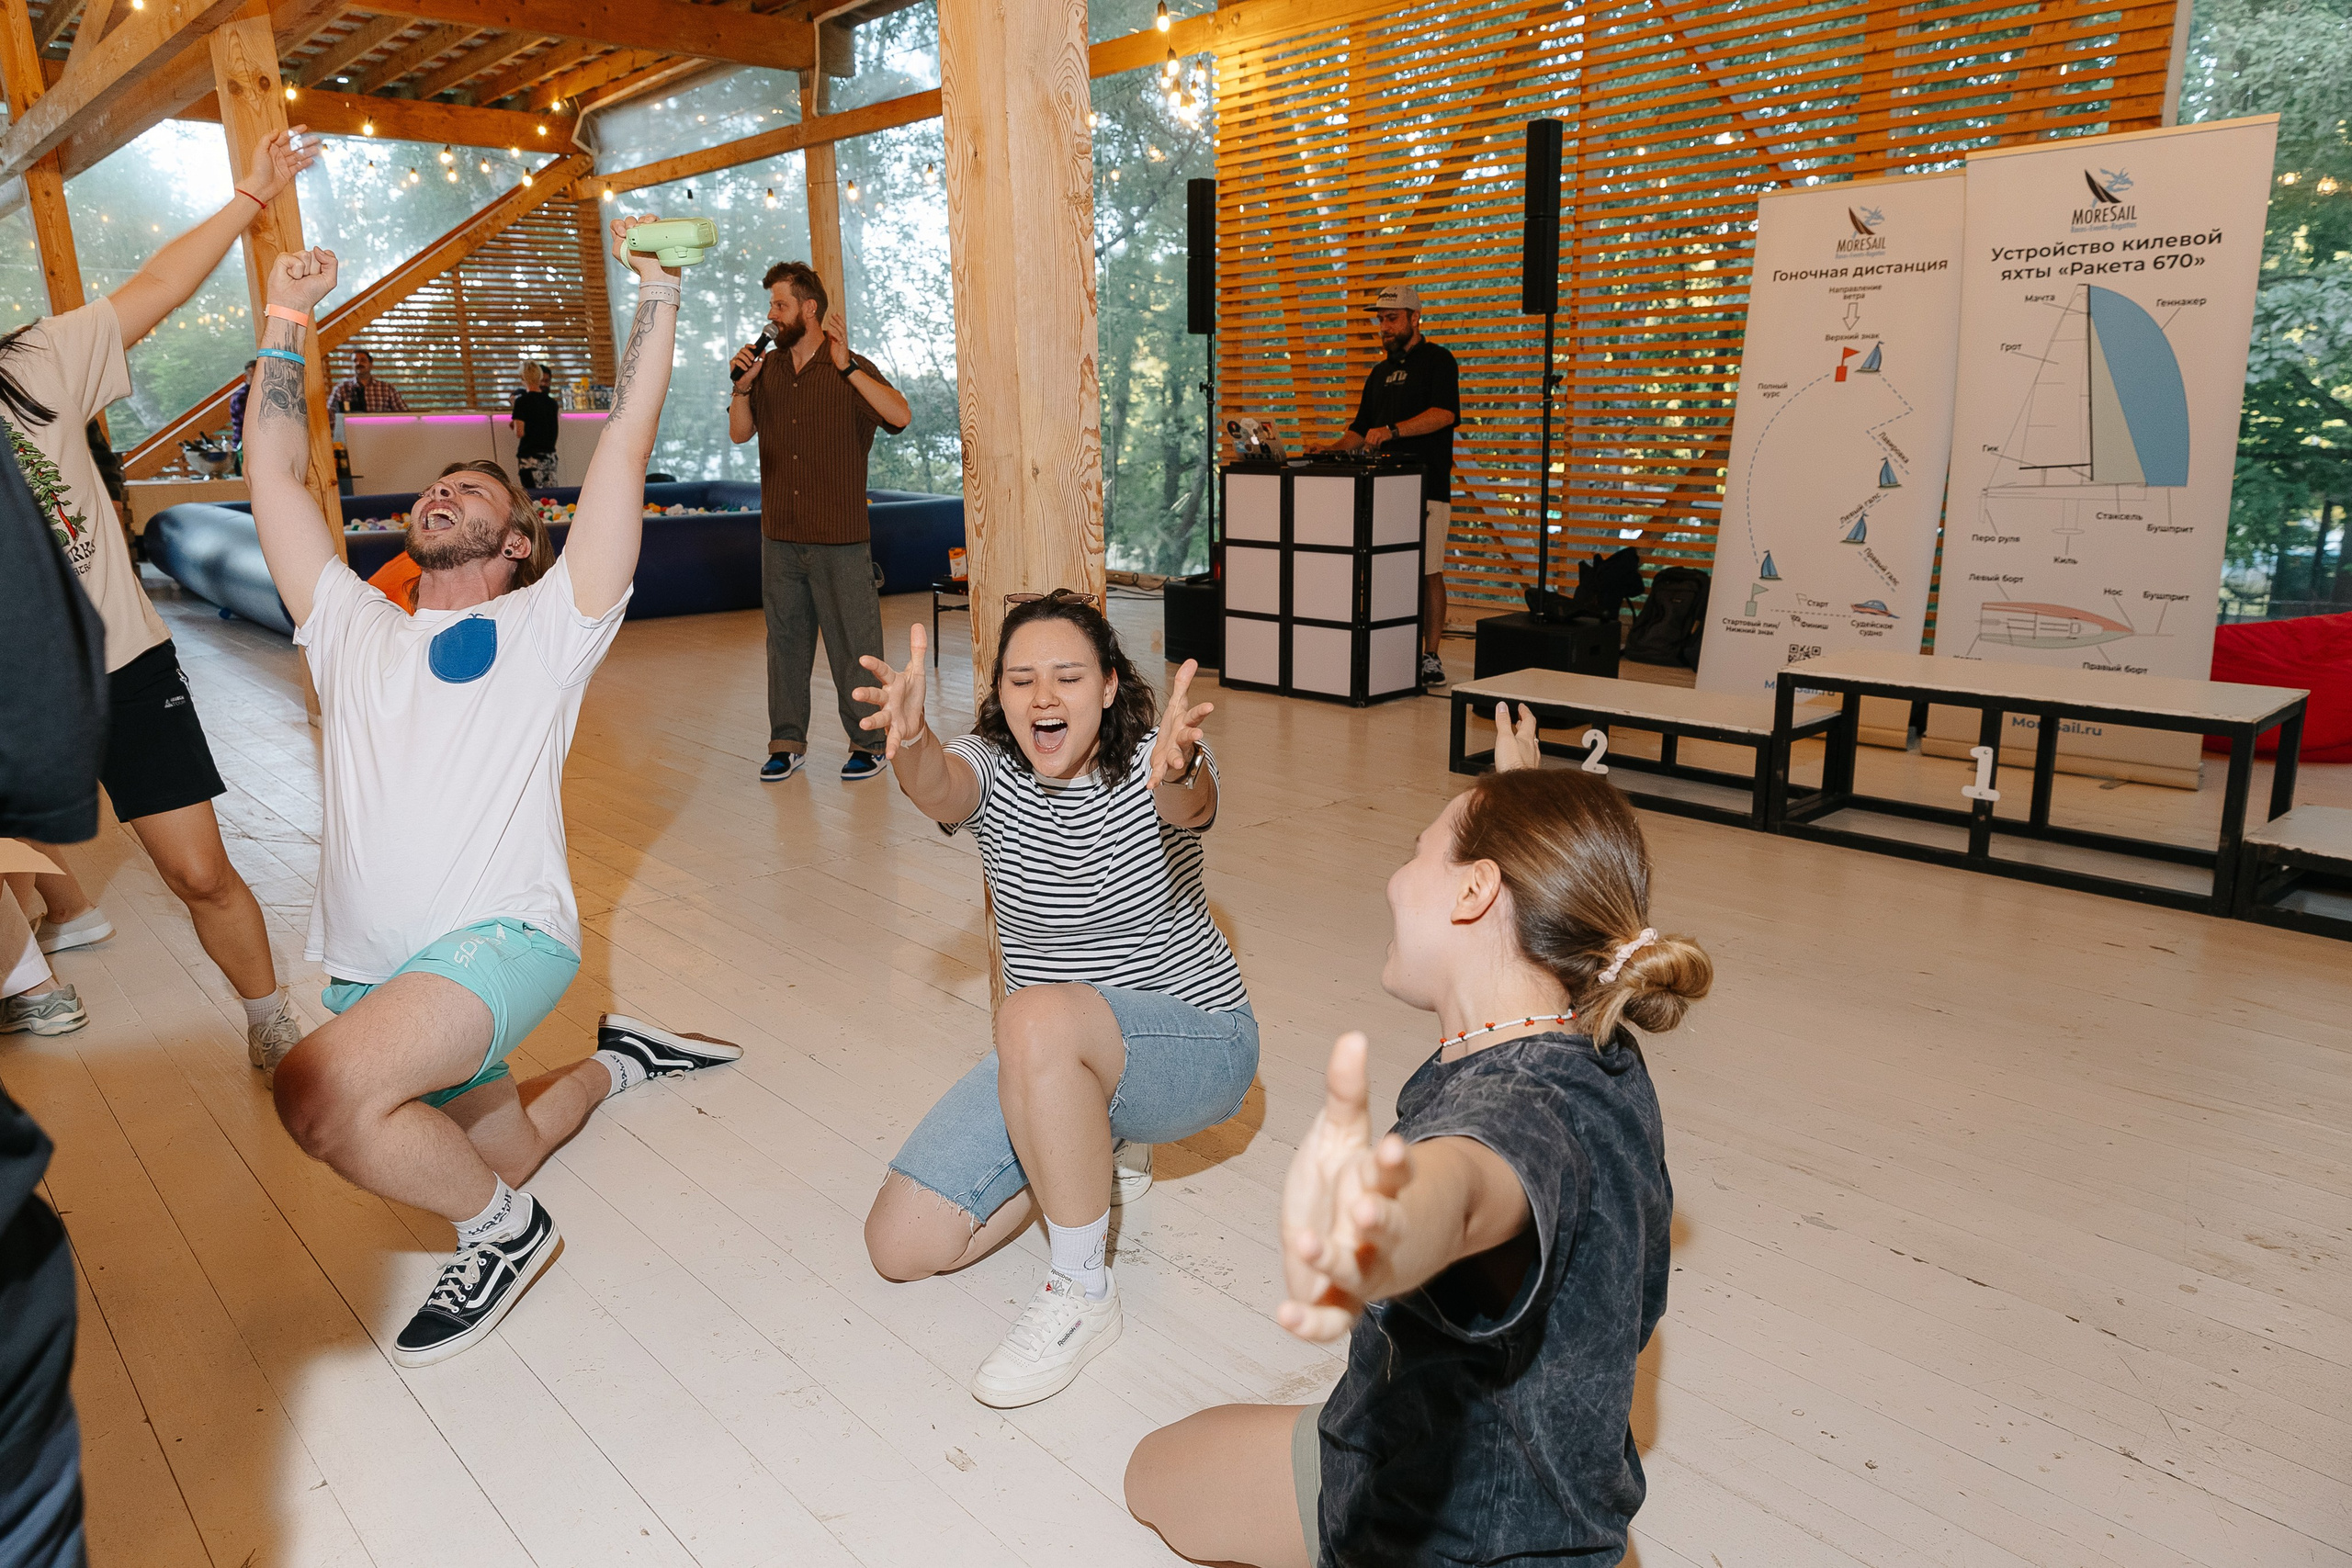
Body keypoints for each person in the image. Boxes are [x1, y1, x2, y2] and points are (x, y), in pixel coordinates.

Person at [241, 224, 743, 1368]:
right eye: (436, 484)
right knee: (501, 1150)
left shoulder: (547, 627)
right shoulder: (348, 623)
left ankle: (503, 1236)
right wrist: (284, 311)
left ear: (517, 541)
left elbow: (624, 447)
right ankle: (625, 1060)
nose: (442, 490)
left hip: (502, 941)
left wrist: (658, 294)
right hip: (381, 969)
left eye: (471, 489)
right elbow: (270, 473)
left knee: (320, 1094)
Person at [1124, 705, 1711, 1567]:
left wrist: (1391, 1221)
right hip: (1564, 1504)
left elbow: (1472, 1184)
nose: (1397, 881)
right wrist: (1518, 793)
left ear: (1476, 892)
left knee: (1149, 1473)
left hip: (1442, 1535)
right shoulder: (1598, 1039)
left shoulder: (1514, 1110)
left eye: (1418, 853)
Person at [854, 592, 1257, 1408]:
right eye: (1021, 679)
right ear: (999, 694)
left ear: (1108, 685)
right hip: (1058, 1050)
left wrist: (1180, 768)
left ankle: (1082, 1291)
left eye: (1068, 677)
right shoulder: (995, 767)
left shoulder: (1156, 757)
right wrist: (912, 739)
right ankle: (1087, 1131)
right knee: (900, 1243)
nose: (1043, 696)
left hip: (1196, 1045)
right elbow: (940, 785)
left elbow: (1189, 799)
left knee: (1031, 1014)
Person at [0, 126, 316, 1065]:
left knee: (198, 871)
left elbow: (160, 284)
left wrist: (252, 194)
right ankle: (31, 983)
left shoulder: (32, 365)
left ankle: (270, 1020)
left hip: (120, 668)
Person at [728, 260, 910, 784]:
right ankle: (786, 743)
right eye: (771, 304)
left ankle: (869, 743)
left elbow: (900, 415)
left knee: (855, 646)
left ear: (809, 309)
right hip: (780, 536)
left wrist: (849, 369)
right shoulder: (768, 370)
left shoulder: (848, 366)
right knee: (784, 644)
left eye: (780, 304)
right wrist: (742, 388)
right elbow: (740, 433)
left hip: (840, 536)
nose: (771, 314)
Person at [1311, 283, 1460, 691]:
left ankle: (1430, 656)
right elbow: (1361, 430)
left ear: (1415, 317)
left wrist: (1393, 430)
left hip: (1427, 487)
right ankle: (1387, 650)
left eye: (1392, 318)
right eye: (1380, 320)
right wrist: (1330, 449)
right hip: (1382, 491)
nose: (1384, 327)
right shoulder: (1378, 374)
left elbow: (1444, 414)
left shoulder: (1439, 361)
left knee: (1428, 570)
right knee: (1382, 569)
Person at [510, 361, 560, 489]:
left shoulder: (522, 402)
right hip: (550, 457)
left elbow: (519, 432)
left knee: (534, 496)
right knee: (551, 496)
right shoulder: (551, 403)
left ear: (523, 378)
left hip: (530, 458)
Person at [330, 348, 408, 412]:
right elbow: (329, 414)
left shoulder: (387, 389)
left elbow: (404, 415)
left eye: (363, 360)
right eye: (355, 360)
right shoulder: (341, 389)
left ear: (371, 364)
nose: (358, 363)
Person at [228, 357, 257, 453]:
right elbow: (249, 424)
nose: (256, 379)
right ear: (246, 377)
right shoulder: (240, 397)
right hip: (244, 444)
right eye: (253, 375)